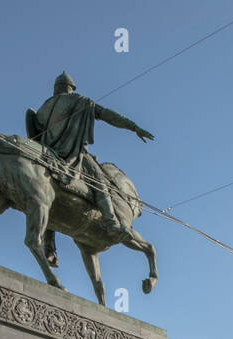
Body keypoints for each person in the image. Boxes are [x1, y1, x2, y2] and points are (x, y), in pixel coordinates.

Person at [26, 72, 154, 238]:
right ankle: (111, 222)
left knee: (46, 196)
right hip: (71, 154)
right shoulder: (80, 101)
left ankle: (49, 244)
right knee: (100, 181)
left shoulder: (44, 106)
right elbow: (108, 115)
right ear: (71, 88)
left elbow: (34, 128)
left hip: (47, 154)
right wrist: (134, 127)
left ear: (55, 89)